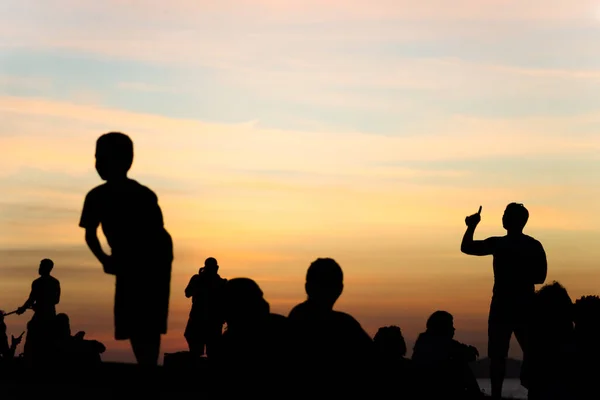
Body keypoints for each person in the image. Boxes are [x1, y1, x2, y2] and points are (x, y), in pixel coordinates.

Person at [79, 132, 174, 366]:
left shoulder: (141, 195)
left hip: (151, 257)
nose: (98, 164)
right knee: (133, 317)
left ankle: (147, 365)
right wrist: (105, 259)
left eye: (103, 158)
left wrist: (110, 259)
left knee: (146, 317)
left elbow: (153, 232)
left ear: (125, 161)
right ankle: (146, 363)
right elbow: (90, 234)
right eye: (97, 158)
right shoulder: (97, 196)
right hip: (131, 258)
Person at [461, 203, 547, 399]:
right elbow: (540, 277)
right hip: (520, 304)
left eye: (506, 214)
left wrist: (471, 226)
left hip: (508, 305)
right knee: (522, 353)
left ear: (516, 220)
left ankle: (503, 394)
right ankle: (526, 392)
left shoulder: (500, 244)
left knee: (504, 355)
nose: (503, 217)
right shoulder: (532, 245)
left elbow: (467, 247)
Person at [412, 311, 482, 399]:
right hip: (437, 388)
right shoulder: (441, 343)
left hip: (429, 388)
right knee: (460, 364)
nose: (454, 329)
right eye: (451, 325)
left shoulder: (424, 341)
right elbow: (469, 355)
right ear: (443, 327)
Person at [16, 258, 61, 364]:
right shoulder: (54, 282)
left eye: (41, 266)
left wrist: (23, 308)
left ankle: (29, 358)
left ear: (47, 268)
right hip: (50, 314)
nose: (39, 268)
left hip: (43, 315)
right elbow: (56, 300)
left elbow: (32, 299)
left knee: (32, 334)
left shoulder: (37, 283)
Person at [184, 257, 227, 358]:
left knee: (211, 353)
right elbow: (188, 293)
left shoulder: (222, 283)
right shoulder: (199, 279)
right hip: (201, 321)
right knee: (203, 352)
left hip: (210, 322)